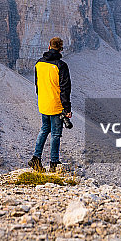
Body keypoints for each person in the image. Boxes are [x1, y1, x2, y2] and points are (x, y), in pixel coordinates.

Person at [28, 36, 72, 173]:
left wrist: (42, 98)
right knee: (56, 134)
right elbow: (65, 89)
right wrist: (67, 109)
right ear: (61, 49)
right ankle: (54, 162)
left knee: (44, 129)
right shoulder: (61, 66)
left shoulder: (38, 64)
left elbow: (37, 84)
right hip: (56, 105)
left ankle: (36, 158)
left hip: (43, 103)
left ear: (49, 47)